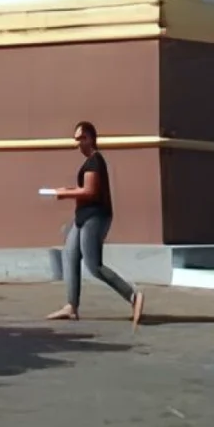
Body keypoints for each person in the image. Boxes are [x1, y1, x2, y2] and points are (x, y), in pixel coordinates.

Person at [45, 121, 143, 326]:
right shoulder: (89, 162)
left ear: (91, 138)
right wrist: (68, 190)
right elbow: (85, 189)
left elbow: (90, 192)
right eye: (76, 139)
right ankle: (71, 306)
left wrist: (64, 194)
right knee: (69, 255)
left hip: (95, 217)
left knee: (93, 265)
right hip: (82, 216)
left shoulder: (95, 162)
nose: (78, 143)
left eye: (82, 138)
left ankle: (133, 295)